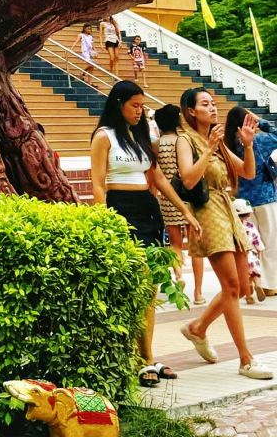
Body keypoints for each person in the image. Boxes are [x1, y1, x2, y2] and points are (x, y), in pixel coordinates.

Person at [90, 80, 202, 387]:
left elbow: (159, 179)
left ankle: (146, 357)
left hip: (147, 208)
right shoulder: (104, 136)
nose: (140, 112)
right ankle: (138, 358)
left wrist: (186, 212)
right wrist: (106, 222)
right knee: (136, 285)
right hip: (119, 208)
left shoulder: (140, 135)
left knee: (152, 287)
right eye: (134, 106)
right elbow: (98, 183)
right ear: (119, 104)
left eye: (142, 106)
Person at [177, 89, 272, 379]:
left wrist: (247, 145)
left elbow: (247, 172)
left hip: (227, 210)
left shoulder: (217, 140)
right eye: (205, 104)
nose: (213, 108)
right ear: (191, 111)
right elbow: (188, 178)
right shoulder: (186, 140)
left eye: (214, 103)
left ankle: (197, 328)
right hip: (207, 212)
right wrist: (207, 149)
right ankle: (245, 359)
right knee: (231, 286)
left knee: (242, 287)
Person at [153, 104, 205, 305]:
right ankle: (198, 292)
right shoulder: (185, 141)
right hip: (188, 197)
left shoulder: (156, 145)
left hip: (167, 198)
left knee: (174, 243)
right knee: (195, 246)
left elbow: (154, 177)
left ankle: (179, 275)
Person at [236, 117, 277, 296]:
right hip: (266, 197)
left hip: (242, 202)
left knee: (248, 244)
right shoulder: (259, 140)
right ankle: (270, 284)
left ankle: (249, 283)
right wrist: (262, 122)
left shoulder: (229, 143)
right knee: (269, 243)